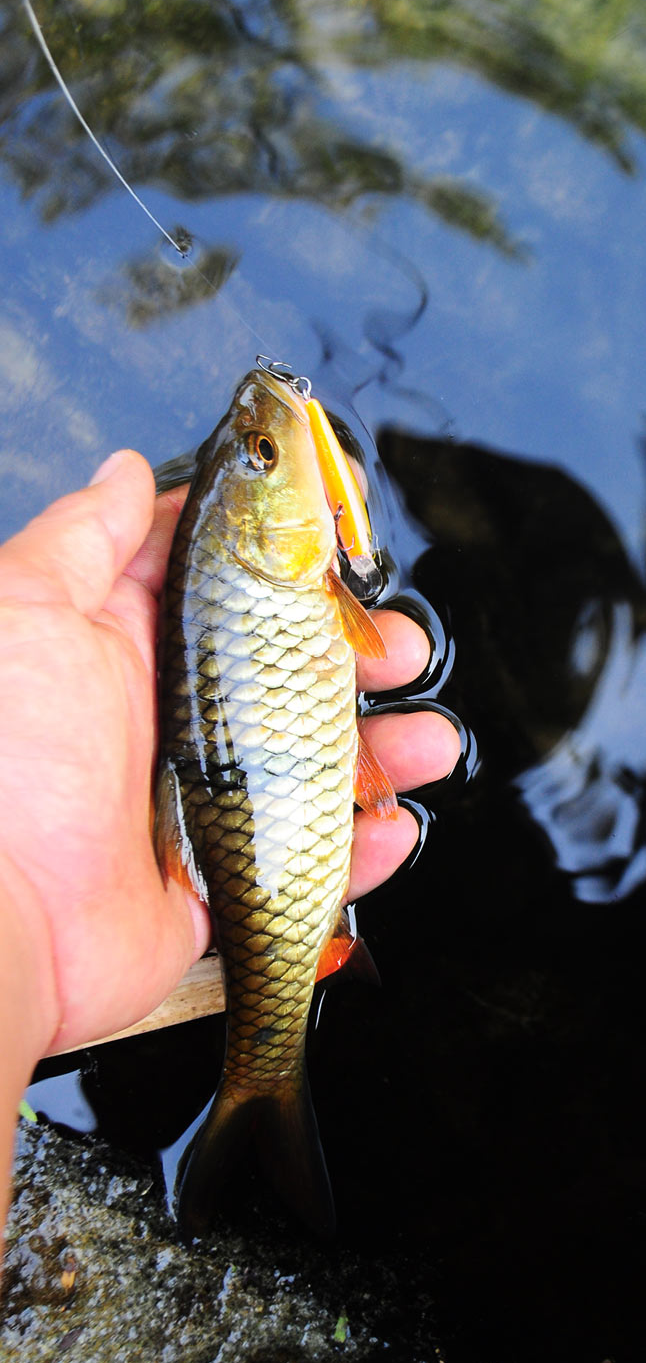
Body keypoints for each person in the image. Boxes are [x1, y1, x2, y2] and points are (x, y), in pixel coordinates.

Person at [0, 448, 461, 1246]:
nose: (270, 441)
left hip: (265, 817)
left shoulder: (235, 569)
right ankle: (264, 1081)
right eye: (265, 454)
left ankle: (260, 1090)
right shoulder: (251, 570)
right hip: (277, 819)